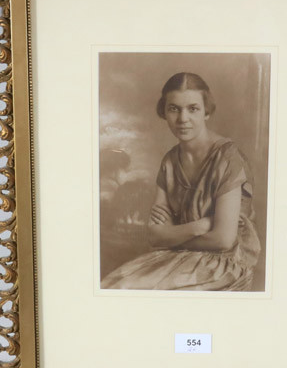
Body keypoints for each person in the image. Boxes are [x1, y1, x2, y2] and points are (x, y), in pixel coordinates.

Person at [101, 72, 261, 291]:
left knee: (132, 288)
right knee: (114, 284)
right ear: (164, 112)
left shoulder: (228, 158)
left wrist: (173, 235)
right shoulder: (170, 161)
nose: (183, 118)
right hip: (180, 256)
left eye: (193, 109)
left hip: (224, 264)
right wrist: (199, 226)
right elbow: (154, 236)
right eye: (174, 109)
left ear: (206, 112)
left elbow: (223, 240)